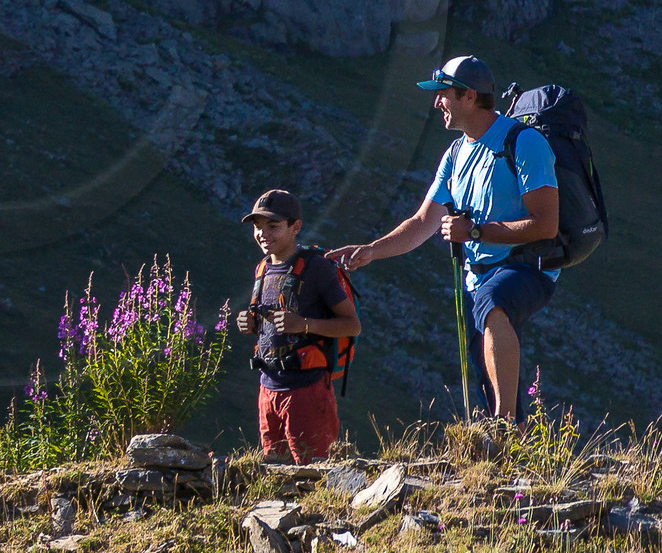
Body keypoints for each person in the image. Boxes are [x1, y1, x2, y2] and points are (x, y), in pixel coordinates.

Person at [331, 55, 559, 421]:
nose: (437, 102)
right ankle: (511, 438)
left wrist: (475, 232)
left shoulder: (524, 142)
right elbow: (423, 221)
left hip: (528, 266)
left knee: (493, 303)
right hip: (478, 275)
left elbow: (546, 225)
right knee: (485, 363)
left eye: (443, 94)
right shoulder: (454, 154)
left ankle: (502, 425)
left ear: (469, 96)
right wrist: (370, 251)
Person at [235, 188, 360, 464]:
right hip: (268, 387)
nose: (262, 234)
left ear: (296, 227)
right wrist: (250, 323)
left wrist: (303, 325)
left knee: (314, 472)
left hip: (307, 390)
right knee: (274, 474)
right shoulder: (263, 269)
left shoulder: (317, 268)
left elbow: (352, 325)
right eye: (257, 226)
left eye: (273, 226)